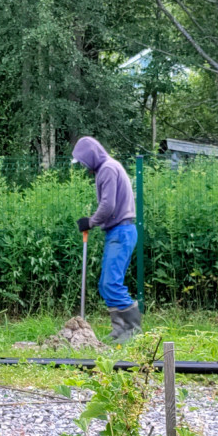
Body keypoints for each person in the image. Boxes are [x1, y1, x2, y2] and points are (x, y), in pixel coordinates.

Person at [72, 136, 141, 342]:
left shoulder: (107, 169)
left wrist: (91, 221)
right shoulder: (108, 168)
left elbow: (108, 205)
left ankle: (132, 331)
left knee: (112, 283)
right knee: (106, 284)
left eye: (84, 162)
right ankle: (119, 330)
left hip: (121, 231)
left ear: (91, 156)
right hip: (118, 232)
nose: (84, 167)